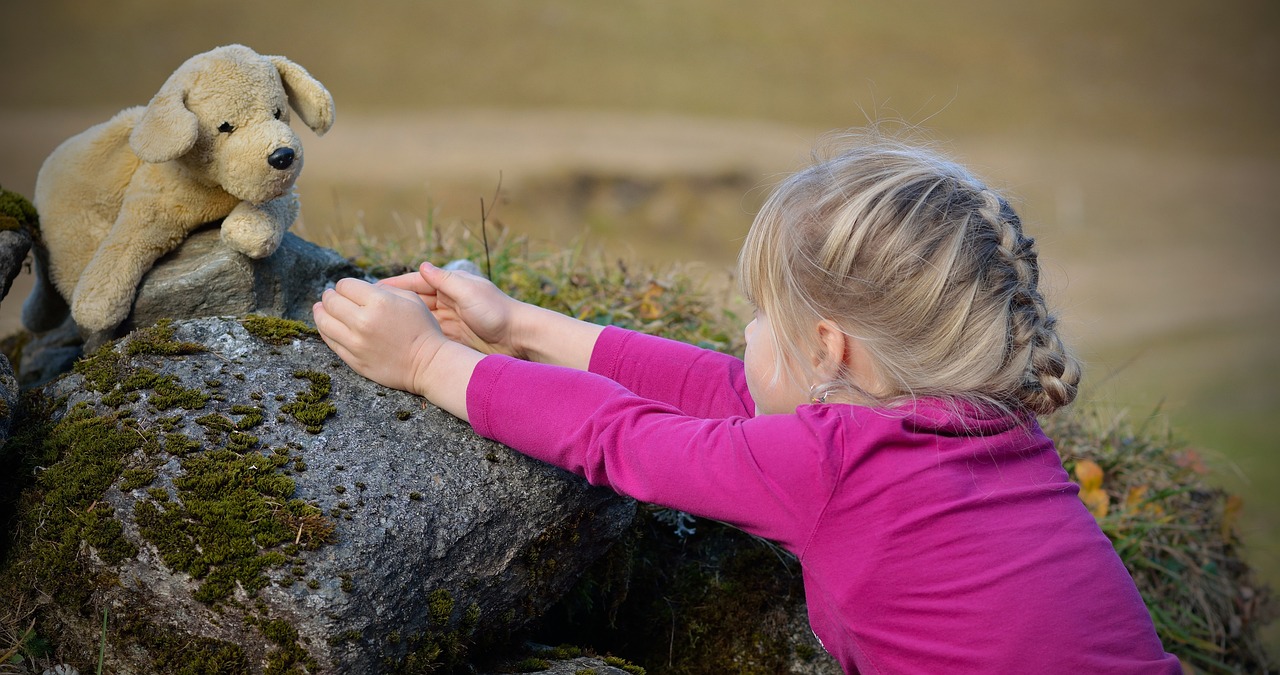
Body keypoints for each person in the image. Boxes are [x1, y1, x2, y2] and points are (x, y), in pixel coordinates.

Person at [312, 134, 1181, 673]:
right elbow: (731, 393)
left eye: (763, 314)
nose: (749, 333)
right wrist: (522, 326)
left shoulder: (835, 465)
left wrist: (426, 360)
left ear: (829, 349)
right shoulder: (988, 425)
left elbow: (619, 438)